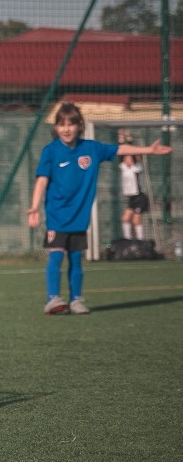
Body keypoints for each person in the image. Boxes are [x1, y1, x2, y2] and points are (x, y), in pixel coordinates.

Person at [26, 102, 171, 316]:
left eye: (70, 124)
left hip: (79, 217)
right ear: (56, 127)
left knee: (76, 258)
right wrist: (35, 206)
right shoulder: (51, 151)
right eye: (61, 124)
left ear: (79, 126)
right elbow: (42, 179)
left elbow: (120, 149)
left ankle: (76, 300)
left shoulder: (91, 148)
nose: (66, 129)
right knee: (56, 255)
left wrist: (148, 150)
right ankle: (52, 299)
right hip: (57, 216)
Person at [117, 132, 149, 241]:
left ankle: (140, 241)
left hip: (140, 198)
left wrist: (130, 140)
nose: (127, 159)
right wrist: (121, 140)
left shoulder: (136, 168)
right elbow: (121, 153)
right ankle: (127, 239)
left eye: (129, 157)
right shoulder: (123, 167)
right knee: (125, 218)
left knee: (136, 220)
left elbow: (132, 152)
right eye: (125, 158)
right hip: (132, 198)